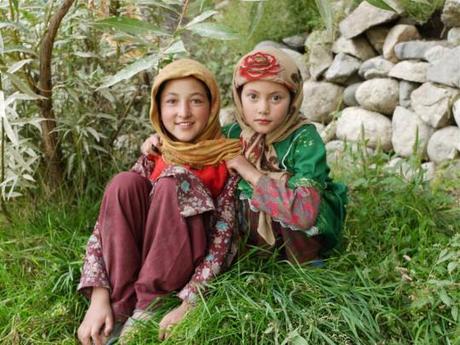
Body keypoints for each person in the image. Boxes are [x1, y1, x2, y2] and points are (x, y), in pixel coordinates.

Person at [77, 58, 241, 345]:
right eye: (172, 102)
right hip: (136, 269)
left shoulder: (226, 158)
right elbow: (105, 227)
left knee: (175, 180)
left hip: (184, 265)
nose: (184, 113)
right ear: (158, 108)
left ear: (213, 105)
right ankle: (119, 306)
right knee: (123, 184)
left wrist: (190, 301)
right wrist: (98, 297)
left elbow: (223, 238)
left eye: (196, 101)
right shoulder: (155, 154)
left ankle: (148, 308)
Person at [142, 48, 347, 262]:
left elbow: (305, 214)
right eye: (253, 97)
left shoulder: (304, 139)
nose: (263, 109)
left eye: (276, 98)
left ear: (293, 98)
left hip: (299, 243)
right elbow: (193, 151)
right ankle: (247, 256)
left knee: (290, 201)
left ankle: (305, 264)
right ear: (238, 96)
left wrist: (249, 172)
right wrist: (160, 141)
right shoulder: (232, 134)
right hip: (248, 247)